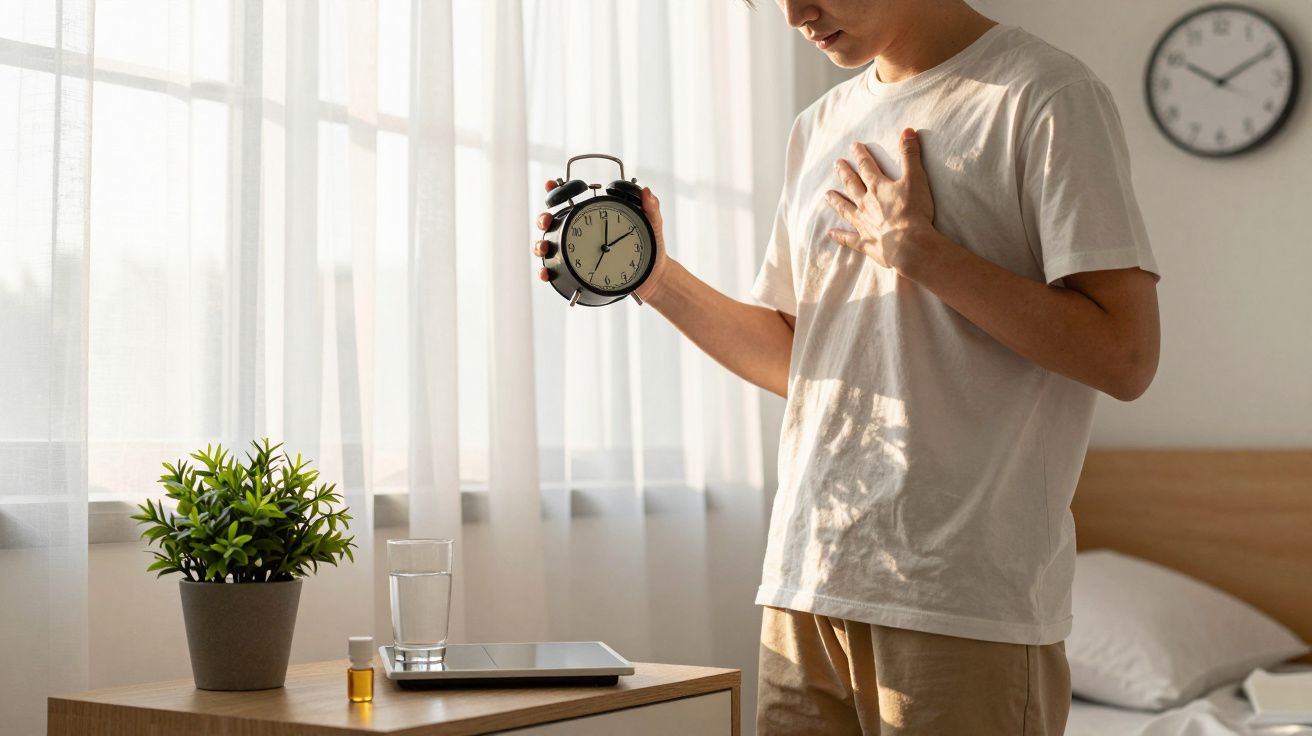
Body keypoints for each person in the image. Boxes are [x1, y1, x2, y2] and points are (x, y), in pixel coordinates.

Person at [532, 0, 1160, 732]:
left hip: (962, 604)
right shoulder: (820, 125)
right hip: (806, 587)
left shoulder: (1044, 95)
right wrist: (658, 279)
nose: (796, 13)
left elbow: (1126, 356)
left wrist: (925, 255)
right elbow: (807, 362)